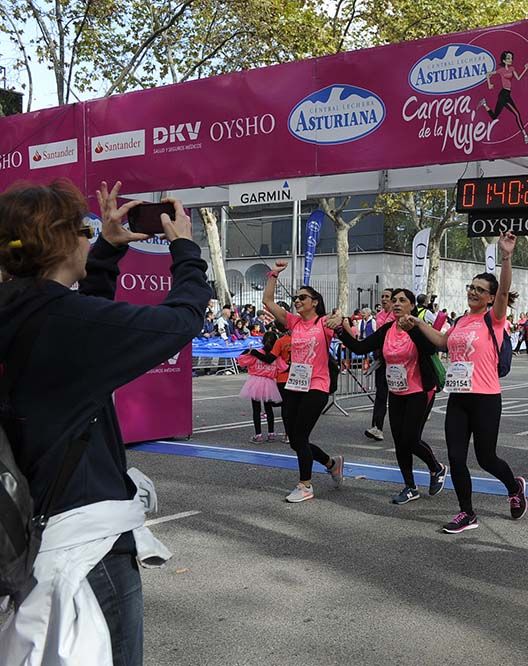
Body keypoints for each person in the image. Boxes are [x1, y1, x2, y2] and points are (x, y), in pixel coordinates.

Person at [0, 180, 211, 665]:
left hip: (28, 531)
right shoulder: (65, 321)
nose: (88, 237)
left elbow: (71, 330)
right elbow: (181, 321)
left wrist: (106, 253)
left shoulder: (22, 311)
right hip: (85, 545)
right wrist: (184, 249)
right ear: (59, 240)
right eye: (83, 230)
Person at [401, 231, 526, 534]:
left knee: (486, 458)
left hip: (485, 398)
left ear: (491, 297)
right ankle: (466, 513)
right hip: (458, 397)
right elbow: (443, 342)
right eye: (471, 287)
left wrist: (506, 257)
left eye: (480, 290)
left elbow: (504, 287)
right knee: (456, 458)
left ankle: (514, 486)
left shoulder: (493, 319)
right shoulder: (460, 321)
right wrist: (418, 323)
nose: (473, 292)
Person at [334, 288, 448, 505]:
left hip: (420, 390)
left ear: (412, 306)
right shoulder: (387, 329)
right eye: (393, 300)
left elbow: (430, 348)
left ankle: (437, 468)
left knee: (411, 438)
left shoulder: (419, 327)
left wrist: (412, 329)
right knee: (399, 441)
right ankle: (410, 486)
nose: (396, 303)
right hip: (397, 391)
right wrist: (340, 329)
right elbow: (360, 348)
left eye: (402, 300)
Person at [263, 262, 344, 503]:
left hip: (317, 386)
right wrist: (273, 275)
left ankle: (305, 485)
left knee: (299, 436)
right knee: (296, 440)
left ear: (315, 302)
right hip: (294, 385)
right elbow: (268, 301)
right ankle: (331, 463)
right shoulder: (294, 322)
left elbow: (344, 324)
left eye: (302, 297)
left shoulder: (324, 323)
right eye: (296, 297)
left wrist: (338, 318)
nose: (297, 301)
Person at [237, 331, 286, 443]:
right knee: (269, 409)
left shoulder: (256, 353)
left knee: (256, 409)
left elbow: (242, 361)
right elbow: (283, 367)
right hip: (269, 383)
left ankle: (258, 435)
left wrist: (247, 352)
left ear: (262, 341)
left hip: (255, 382)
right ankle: (271, 433)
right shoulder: (275, 356)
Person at [478, 50, 528, 144]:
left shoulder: (512, 68)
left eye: (511, 58)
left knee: (494, 116)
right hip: (504, 94)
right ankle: (525, 137)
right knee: (517, 114)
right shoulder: (501, 70)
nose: (510, 60)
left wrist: (525, 69)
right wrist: (489, 84)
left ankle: (484, 104)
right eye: (508, 58)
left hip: (506, 94)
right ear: (504, 60)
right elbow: (488, 74)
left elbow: (518, 78)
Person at [366, 290, 394, 442]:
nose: (383, 299)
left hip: (397, 360)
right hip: (382, 359)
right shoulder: (380, 315)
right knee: (381, 394)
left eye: (387, 297)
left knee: (398, 396)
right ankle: (377, 427)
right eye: (382, 296)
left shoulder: (397, 317)